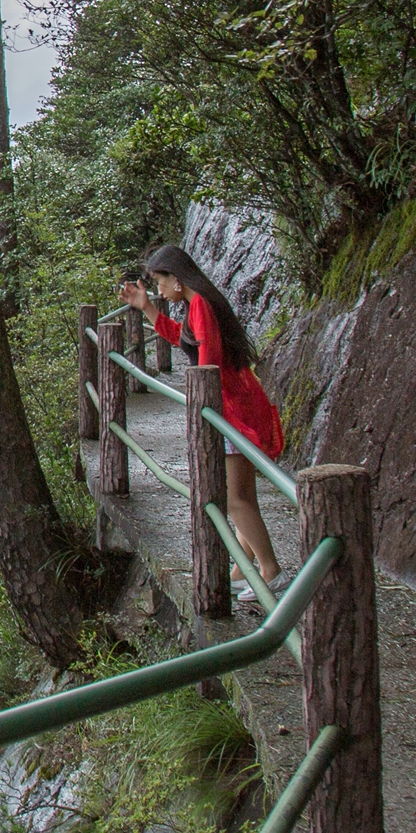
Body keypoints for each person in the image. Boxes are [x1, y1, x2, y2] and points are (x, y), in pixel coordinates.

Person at [117, 244, 286, 603]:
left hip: (230, 408)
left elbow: (207, 363)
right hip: (236, 400)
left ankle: (271, 572)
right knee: (243, 495)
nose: (159, 291)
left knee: (234, 498)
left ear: (176, 280)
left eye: (159, 283)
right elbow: (183, 338)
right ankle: (245, 568)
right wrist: (145, 307)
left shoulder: (200, 306)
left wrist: (204, 411)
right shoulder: (198, 305)